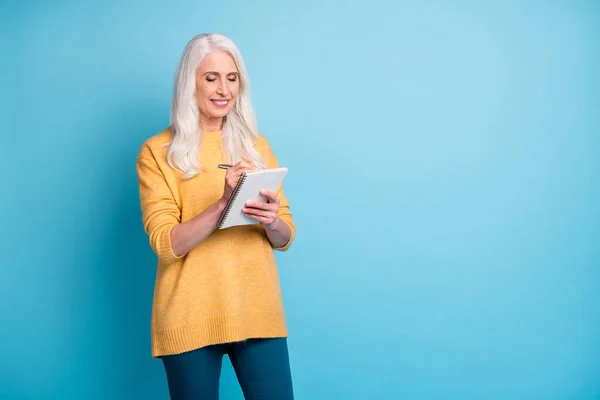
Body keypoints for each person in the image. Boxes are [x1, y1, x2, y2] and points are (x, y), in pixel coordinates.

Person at [135, 33, 296, 399]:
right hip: (189, 316)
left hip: (258, 312)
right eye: (211, 78)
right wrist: (225, 203)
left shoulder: (256, 146)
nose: (223, 89)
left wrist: (271, 220)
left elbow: (285, 237)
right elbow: (165, 244)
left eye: (232, 77)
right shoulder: (157, 153)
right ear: (189, 82)